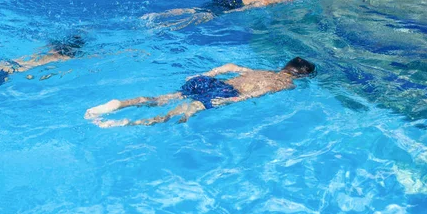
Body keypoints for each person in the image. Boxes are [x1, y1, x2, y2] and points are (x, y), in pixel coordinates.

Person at [85, 57, 316, 127]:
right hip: (225, 92)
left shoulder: (260, 69)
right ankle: (124, 123)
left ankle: (120, 104)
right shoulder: (286, 83)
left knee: (162, 98)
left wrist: (209, 72)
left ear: (285, 66)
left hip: (206, 81)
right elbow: (262, 91)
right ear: (300, 75)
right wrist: (236, 99)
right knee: (175, 115)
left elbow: (231, 67)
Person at [141, 0, 320, 30]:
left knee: (195, 9)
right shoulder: (287, 0)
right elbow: (263, 3)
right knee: (204, 16)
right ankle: (166, 26)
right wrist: (240, 10)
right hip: (236, 3)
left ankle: (159, 15)